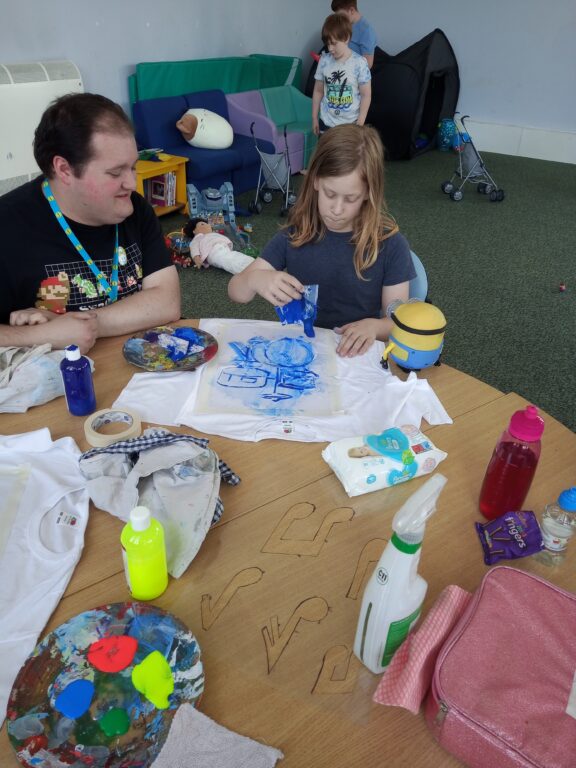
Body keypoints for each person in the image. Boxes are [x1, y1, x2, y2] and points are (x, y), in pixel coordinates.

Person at [0, 92, 181, 354]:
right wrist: (37, 334)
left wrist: (85, 325)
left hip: (147, 365)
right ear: (64, 170)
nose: (131, 183)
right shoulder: (8, 228)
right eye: (115, 172)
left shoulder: (135, 208)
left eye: (133, 167)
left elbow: (167, 302)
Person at [228, 124, 416, 358]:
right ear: (315, 180)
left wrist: (375, 326)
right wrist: (255, 279)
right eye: (330, 194)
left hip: (357, 358)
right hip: (304, 352)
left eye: (351, 198)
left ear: (369, 193)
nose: (337, 209)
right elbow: (237, 292)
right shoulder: (294, 235)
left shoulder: (390, 244)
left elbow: (399, 322)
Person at [312, 13, 372, 136]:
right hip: (326, 123)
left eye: (334, 43)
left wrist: (360, 123)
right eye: (328, 44)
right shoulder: (324, 61)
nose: (330, 49)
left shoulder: (360, 63)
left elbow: (366, 95)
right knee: (327, 155)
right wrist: (314, 118)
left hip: (351, 125)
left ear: (346, 38)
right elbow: (318, 91)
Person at [182, 218, 254, 275]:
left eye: (207, 224)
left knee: (235, 255)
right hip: (213, 251)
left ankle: (253, 263)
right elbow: (194, 247)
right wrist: (196, 258)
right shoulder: (198, 237)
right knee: (228, 261)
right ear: (194, 231)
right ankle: (249, 271)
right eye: (202, 224)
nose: (208, 225)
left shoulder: (212, 234)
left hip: (224, 248)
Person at [331, 0, 377, 69]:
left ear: (352, 10)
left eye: (342, 16)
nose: (340, 19)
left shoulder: (367, 32)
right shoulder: (346, 24)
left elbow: (367, 65)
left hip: (351, 71)